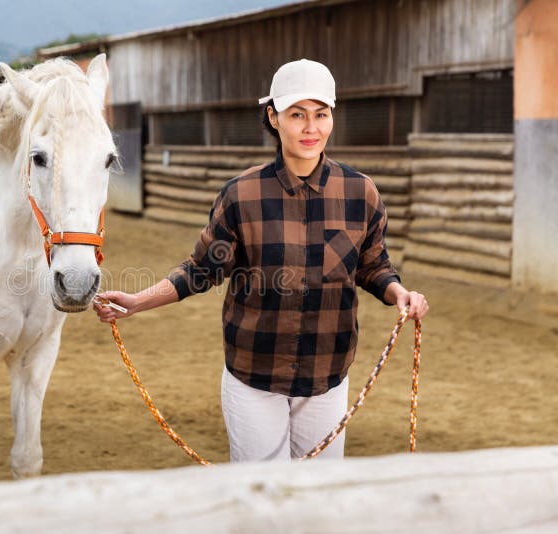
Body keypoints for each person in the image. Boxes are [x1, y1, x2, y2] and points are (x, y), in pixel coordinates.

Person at [93, 59, 429, 462]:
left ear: (332, 118)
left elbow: (373, 264)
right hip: (254, 380)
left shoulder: (362, 194)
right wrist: (138, 301)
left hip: (327, 379)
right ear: (274, 117)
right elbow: (201, 270)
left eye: (321, 115)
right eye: (297, 115)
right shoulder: (241, 195)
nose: (311, 128)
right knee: (261, 503)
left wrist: (398, 293)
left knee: (318, 503)